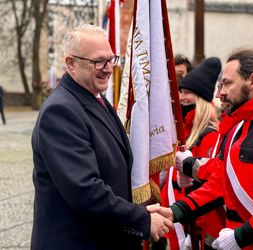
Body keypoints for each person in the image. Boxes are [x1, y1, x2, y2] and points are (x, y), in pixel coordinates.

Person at [31, 24, 172, 250]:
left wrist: (142, 209)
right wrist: (142, 220)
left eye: (111, 59)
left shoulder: (94, 98)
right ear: (70, 64)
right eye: (98, 62)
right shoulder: (60, 112)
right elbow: (85, 191)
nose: (108, 69)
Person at [148, 47, 253, 249]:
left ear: (252, 81)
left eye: (227, 83)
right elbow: (220, 183)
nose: (220, 93)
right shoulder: (237, 129)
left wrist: (242, 236)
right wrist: (176, 211)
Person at [160, 57, 225, 250]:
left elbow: (209, 182)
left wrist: (193, 230)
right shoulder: (185, 131)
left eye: (187, 92)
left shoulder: (209, 135)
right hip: (179, 218)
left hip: (196, 222)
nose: (181, 97)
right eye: (180, 91)